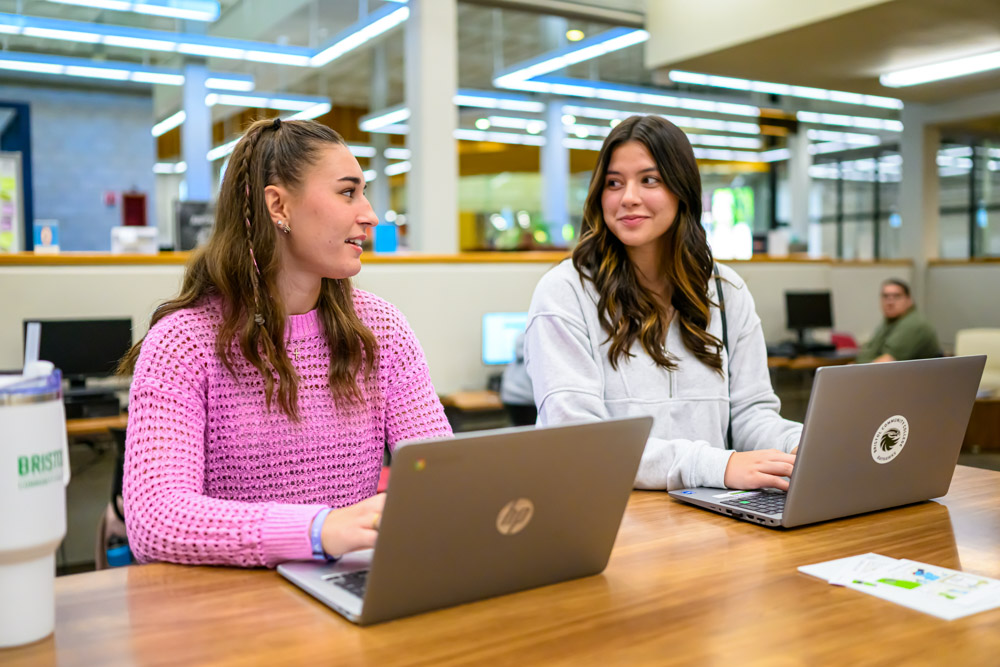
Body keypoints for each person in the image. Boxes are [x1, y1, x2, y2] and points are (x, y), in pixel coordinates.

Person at [118, 118, 452, 568]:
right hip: (230, 609)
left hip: (345, 590)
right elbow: (155, 521)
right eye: (348, 192)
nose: (370, 214)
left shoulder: (382, 331)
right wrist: (318, 530)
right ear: (279, 205)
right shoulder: (183, 344)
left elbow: (440, 473)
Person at [524, 115, 800, 493]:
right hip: (605, 516)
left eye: (649, 180)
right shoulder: (564, 291)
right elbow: (582, 442)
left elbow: (752, 416)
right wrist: (714, 465)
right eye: (613, 183)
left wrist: (797, 446)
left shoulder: (725, 291)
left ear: (681, 189)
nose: (628, 197)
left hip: (707, 516)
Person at [855, 278, 941, 364]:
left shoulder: (913, 324)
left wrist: (855, 371)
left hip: (918, 376)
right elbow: (868, 352)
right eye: (885, 296)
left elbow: (884, 363)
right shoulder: (890, 321)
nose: (890, 302)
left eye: (896, 296)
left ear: (909, 300)